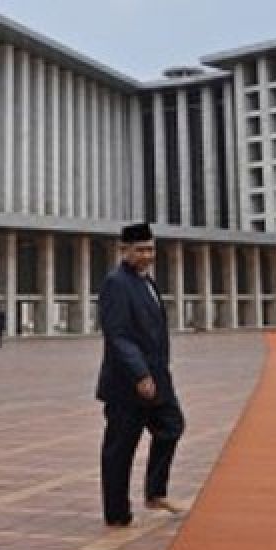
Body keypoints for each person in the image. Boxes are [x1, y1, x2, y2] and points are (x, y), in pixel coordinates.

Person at [96, 222, 186, 528]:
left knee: (172, 425)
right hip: (127, 383)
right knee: (120, 448)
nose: (147, 255)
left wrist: (157, 373)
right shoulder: (116, 283)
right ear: (124, 251)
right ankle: (117, 512)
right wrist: (140, 374)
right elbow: (118, 335)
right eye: (140, 250)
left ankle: (155, 492)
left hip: (157, 377)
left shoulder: (146, 282)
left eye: (150, 249)